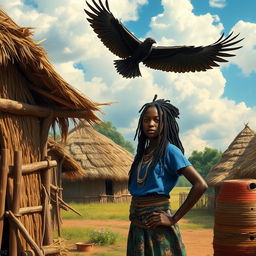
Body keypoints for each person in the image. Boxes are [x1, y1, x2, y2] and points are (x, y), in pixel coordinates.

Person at [127, 95, 208, 256]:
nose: (151, 124)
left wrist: (173, 219)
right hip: (137, 227)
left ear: (165, 123)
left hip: (159, 229)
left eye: (156, 120)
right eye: (146, 120)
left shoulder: (170, 151)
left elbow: (200, 185)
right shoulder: (141, 155)